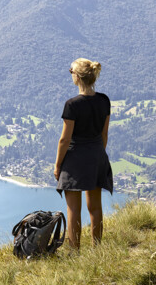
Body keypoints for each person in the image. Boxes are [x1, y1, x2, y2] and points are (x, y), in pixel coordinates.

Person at [54, 58, 112, 250]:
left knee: (73, 209)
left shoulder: (72, 105)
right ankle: (97, 250)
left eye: (71, 71)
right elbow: (104, 134)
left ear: (77, 77)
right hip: (97, 155)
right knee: (95, 207)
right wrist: (97, 157)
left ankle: (74, 252)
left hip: (75, 160)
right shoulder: (104, 100)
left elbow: (65, 139)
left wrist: (57, 166)